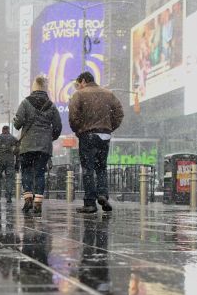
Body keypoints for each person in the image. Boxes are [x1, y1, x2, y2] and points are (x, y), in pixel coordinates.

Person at [68, 71, 124, 214]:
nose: (78, 87)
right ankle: (102, 195)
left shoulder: (79, 95)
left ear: (84, 81)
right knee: (101, 168)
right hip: (104, 135)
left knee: (88, 169)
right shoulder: (108, 94)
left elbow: (73, 116)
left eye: (79, 84)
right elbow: (119, 113)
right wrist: (109, 127)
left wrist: (79, 130)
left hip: (88, 135)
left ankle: (90, 203)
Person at [13, 75, 61, 215]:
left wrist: (17, 119)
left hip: (27, 144)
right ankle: (38, 202)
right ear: (45, 88)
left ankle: (28, 197)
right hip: (44, 146)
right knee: (40, 173)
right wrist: (49, 138)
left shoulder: (25, 103)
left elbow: (17, 124)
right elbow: (58, 126)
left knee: (26, 170)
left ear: (34, 87)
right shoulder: (51, 105)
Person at [0, 125, 17, 203]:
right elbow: (17, 152)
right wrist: (17, 163)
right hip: (10, 161)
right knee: (9, 178)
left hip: (0, 161)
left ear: (2, 130)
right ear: (8, 130)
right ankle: (8, 197)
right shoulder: (13, 139)